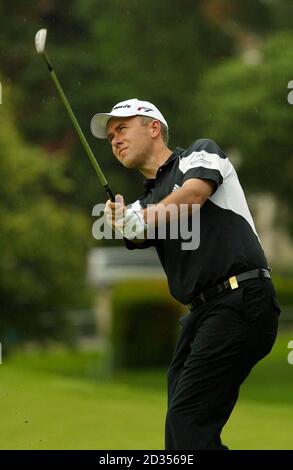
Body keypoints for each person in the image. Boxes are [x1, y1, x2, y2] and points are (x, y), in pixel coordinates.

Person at [90, 98, 281, 450]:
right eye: (111, 136)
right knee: (180, 434)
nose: (114, 140)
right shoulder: (143, 205)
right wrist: (123, 221)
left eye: (122, 128)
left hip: (242, 299)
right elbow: (134, 228)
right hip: (204, 315)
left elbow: (192, 196)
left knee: (188, 421)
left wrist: (140, 219)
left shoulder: (199, 155)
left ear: (153, 128)